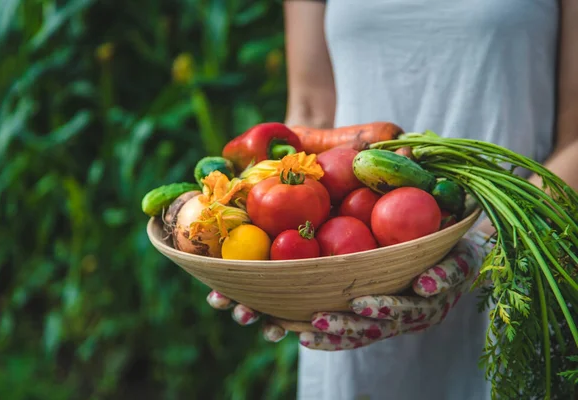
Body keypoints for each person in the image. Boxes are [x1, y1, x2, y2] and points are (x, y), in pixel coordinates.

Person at [207, 1, 578, 399]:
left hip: (513, 262)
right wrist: (270, 245)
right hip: (347, 275)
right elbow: (311, 111)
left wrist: (477, 244)